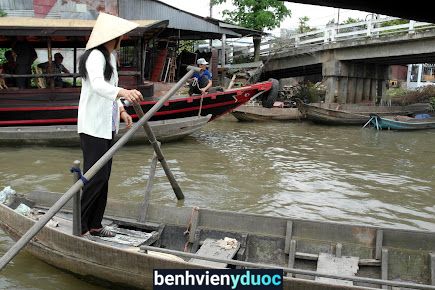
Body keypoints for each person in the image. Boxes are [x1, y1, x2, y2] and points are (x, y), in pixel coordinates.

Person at [77, 12, 143, 239]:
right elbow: (97, 85)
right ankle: (82, 225)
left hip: (107, 125)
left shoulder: (110, 57)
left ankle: (95, 224)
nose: (122, 39)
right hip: (93, 126)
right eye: (120, 36)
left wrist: (122, 109)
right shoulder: (95, 56)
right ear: (112, 37)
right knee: (95, 176)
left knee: (104, 176)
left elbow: (110, 88)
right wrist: (124, 92)